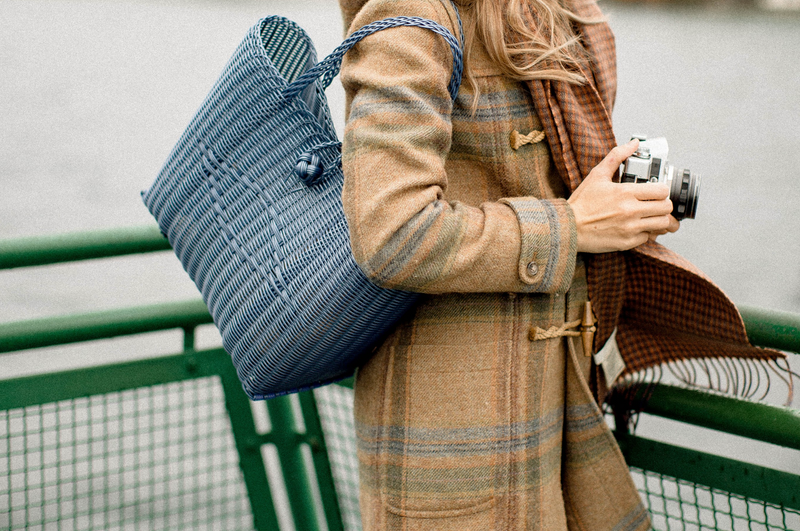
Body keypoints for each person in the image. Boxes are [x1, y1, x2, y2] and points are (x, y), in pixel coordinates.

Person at [336, 0, 783, 529]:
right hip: (455, 443)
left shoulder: (549, 13)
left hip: (562, 411)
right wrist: (572, 226)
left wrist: (607, 212)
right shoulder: (414, 18)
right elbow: (392, 234)